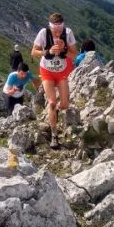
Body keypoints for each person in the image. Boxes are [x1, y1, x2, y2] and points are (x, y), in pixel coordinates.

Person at [31, 13, 77, 149]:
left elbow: (74, 55)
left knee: (64, 105)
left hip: (62, 72)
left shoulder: (68, 33)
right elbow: (33, 52)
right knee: (51, 102)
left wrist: (64, 50)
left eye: (60, 29)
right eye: (54, 30)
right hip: (47, 71)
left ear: (63, 26)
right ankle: (54, 135)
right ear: (50, 27)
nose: (57, 32)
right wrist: (47, 52)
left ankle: (56, 110)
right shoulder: (43, 33)